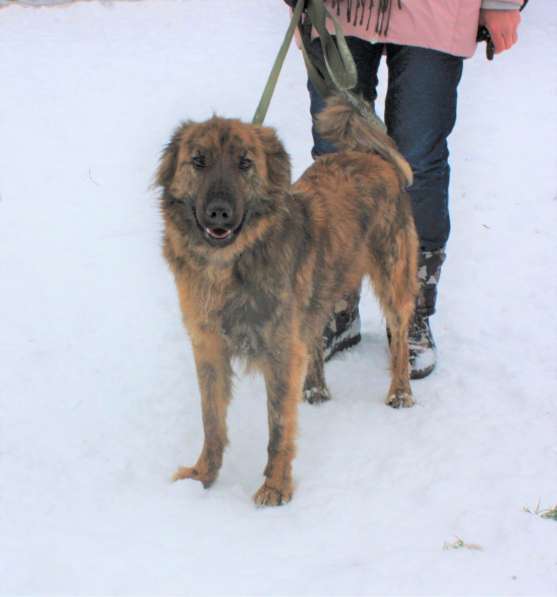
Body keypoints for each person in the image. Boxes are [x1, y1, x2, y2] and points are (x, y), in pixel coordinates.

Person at [284, 0, 522, 378]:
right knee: (336, 153)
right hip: (338, 9)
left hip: (439, 11)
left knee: (418, 162)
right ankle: (337, 303)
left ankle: (411, 311)